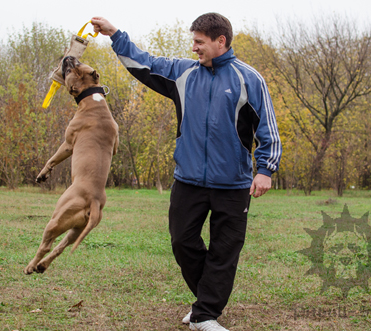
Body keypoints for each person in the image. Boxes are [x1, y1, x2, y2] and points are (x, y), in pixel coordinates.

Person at [92, 13, 281, 331]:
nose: (193, 47)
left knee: (225, 250)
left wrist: (265, 169)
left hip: (233, 184)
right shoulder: (183, 73)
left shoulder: (249, 79)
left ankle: (204, 314)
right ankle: (204, 304)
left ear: (220, 41)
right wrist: (115, 35)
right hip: (189, 180)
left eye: (199, 41)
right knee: (182, 242)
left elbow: (267, 127)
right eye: (193, 41)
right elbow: (144, 63)